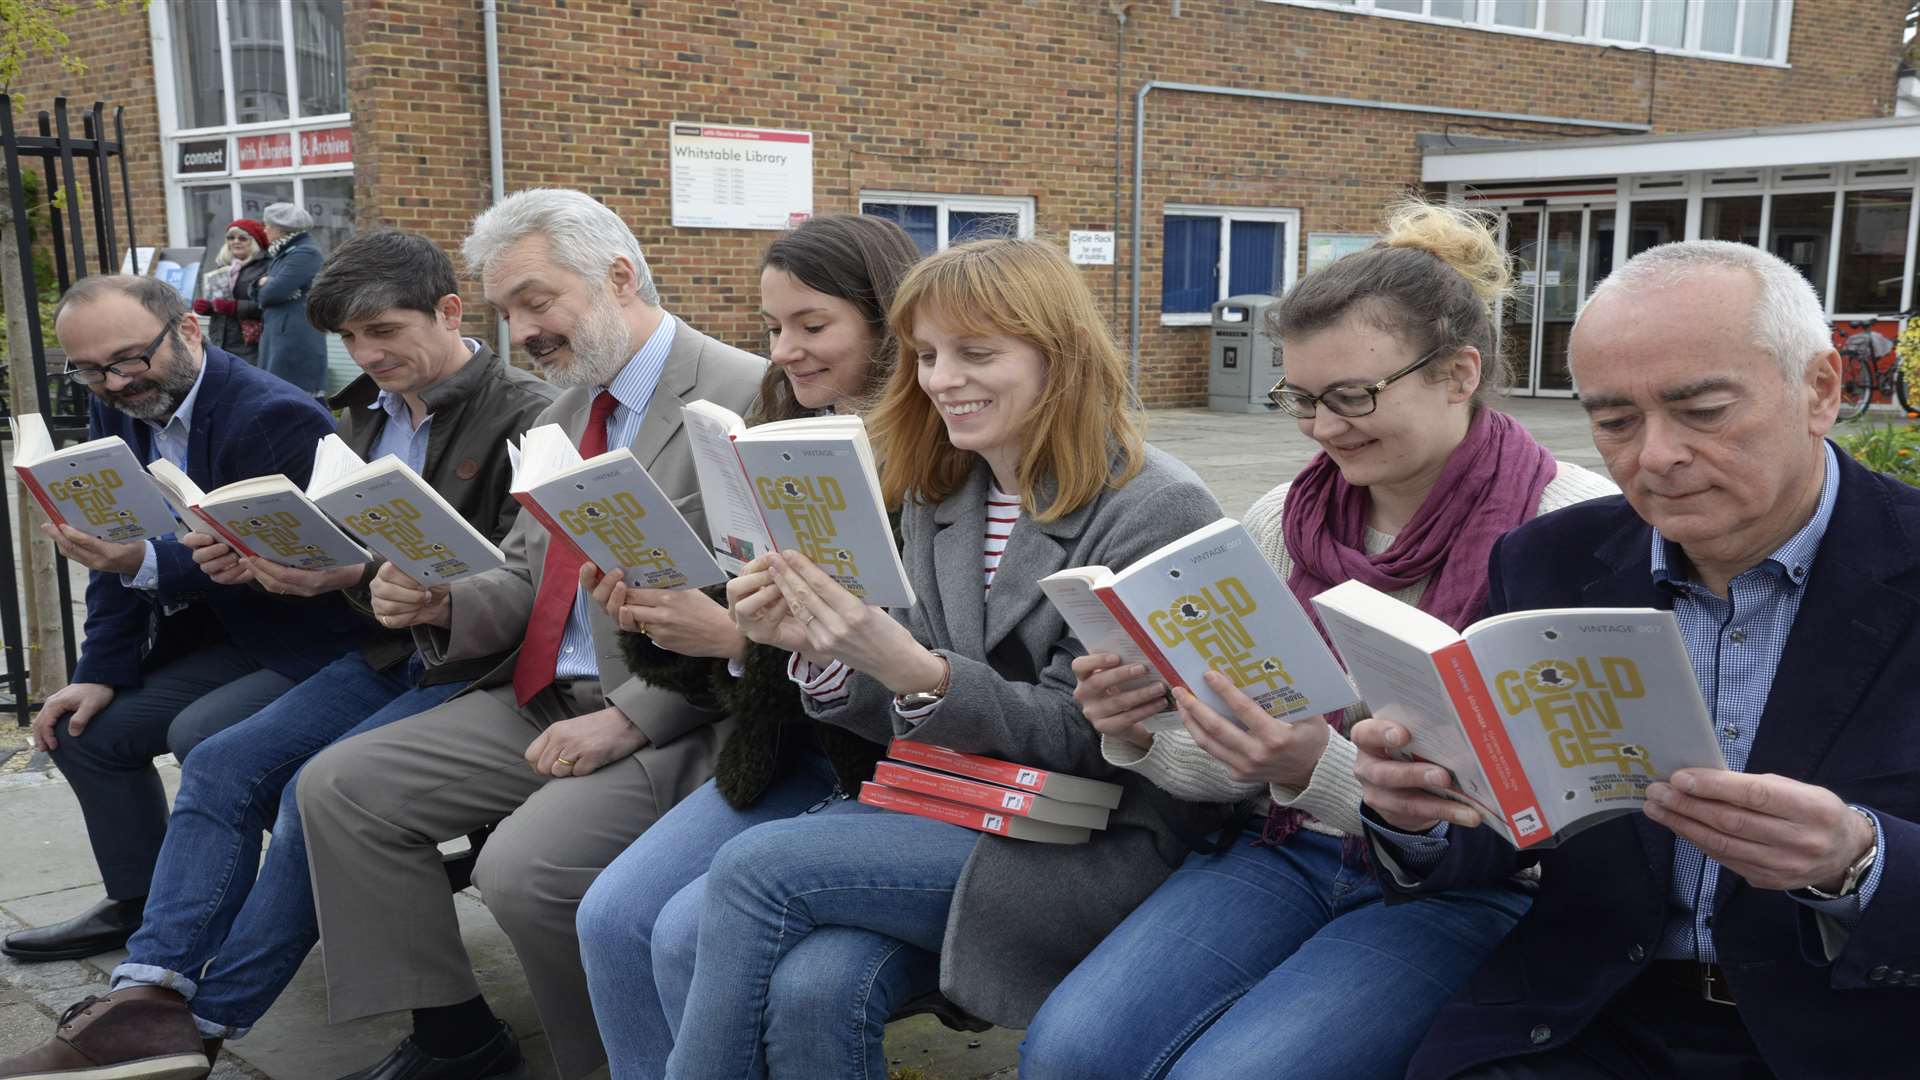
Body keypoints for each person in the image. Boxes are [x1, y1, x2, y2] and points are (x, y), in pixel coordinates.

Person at [1018, 200, 1618, 1080]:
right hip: (1286, 847)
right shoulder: (1284, 518)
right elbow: (1240, 766)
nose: (1325, 429)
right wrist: (1142, 732)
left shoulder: (1574, 525)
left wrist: (1311, 769)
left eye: (1353, 397)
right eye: (1300, 399)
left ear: (1459, 373)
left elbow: (1575, 807)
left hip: (1477, 886)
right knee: (1069, 1049)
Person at [657, 237, 1230, 1080]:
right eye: (927, 354)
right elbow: (898, 705)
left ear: (1058, 357)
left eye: (976, 353)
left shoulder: (1155, 505)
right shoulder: (943, 486)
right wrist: (811, 649)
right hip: (955, 802)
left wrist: (919, 673)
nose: (941, 378)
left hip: (1089, 835)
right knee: (819, 984)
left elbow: (1094, 739)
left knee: (753, 867)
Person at [1353, 239, 1920, 1078]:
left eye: (1702, 411)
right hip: (1588, 1016)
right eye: (1615, 421)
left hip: (1849, 1027)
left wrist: (1858, 860)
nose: (1654, 457)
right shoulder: (1548, 563)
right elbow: (1516, 827)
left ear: (1820, 390)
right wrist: (1424, 817)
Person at [0, 232, 559, 1080]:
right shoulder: (363, 410)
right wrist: (290, 566)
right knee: (222, 760)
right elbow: (349, 563)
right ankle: (146, 989)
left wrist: (341, 574)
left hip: (470, 665)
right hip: (384, 649)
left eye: (385, 332)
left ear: (450, 312)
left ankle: (204, 1020)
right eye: (353, 339)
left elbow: (526, 582)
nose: (369, 355)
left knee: (313, 789)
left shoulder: (524, 410)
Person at [294, 189, 766, 1080]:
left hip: (682, 710)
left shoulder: (745, 394)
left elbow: (769, 612)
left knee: (521, 871)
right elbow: (523, 577)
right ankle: (456, 1038)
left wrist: (629, 716)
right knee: (340, 787)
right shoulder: (557, 417)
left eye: (536, 302)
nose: (521, 332)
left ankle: (617, 1061)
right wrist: (439, 604)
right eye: (507, 309)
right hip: (541, 694)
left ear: (619, 277)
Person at [574, 213, 922, 1076]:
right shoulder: (772, 424)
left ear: (887, 323)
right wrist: (660, 610)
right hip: (783, 751)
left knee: (686, 932)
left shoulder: (935, 452)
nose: (788, 350)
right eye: (773, 328)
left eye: (813, 325)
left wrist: (735, 636)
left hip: (880, 764)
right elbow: (747, 598)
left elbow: (914, 657)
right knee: (611, 914)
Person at [0, 275, 356, 966]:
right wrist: (97, 673)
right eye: (91, 369)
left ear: (189, 330)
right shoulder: (120, 407)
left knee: (202, 734)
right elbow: (115, 555)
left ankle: (213, 917)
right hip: (223, 636)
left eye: (130, 358)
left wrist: (138, 557)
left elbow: (278, 559)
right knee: (80, 729)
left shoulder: (274, 415)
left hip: (310, 638)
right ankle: (141, 904)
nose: (114, 381)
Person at [252, 202, 328, 394]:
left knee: (295, 396)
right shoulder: (283, 252)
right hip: (279, 334)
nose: (265, 229)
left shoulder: (305, 253)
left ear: (281, 229)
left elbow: (271, 294)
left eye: (268, 225)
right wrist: (264, 284)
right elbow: (260, 293)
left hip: (294, 338)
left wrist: (268, 284)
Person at [192, 218, 269, 362]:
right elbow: (219, 304)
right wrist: (208, 307)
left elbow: (267, 304)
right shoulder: (223, 267)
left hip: (250, 344)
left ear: (254, 242)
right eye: (231, 237)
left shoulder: (265, 267)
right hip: (220, 341)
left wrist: (234, 307)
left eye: (242, 238)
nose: (235, 241)